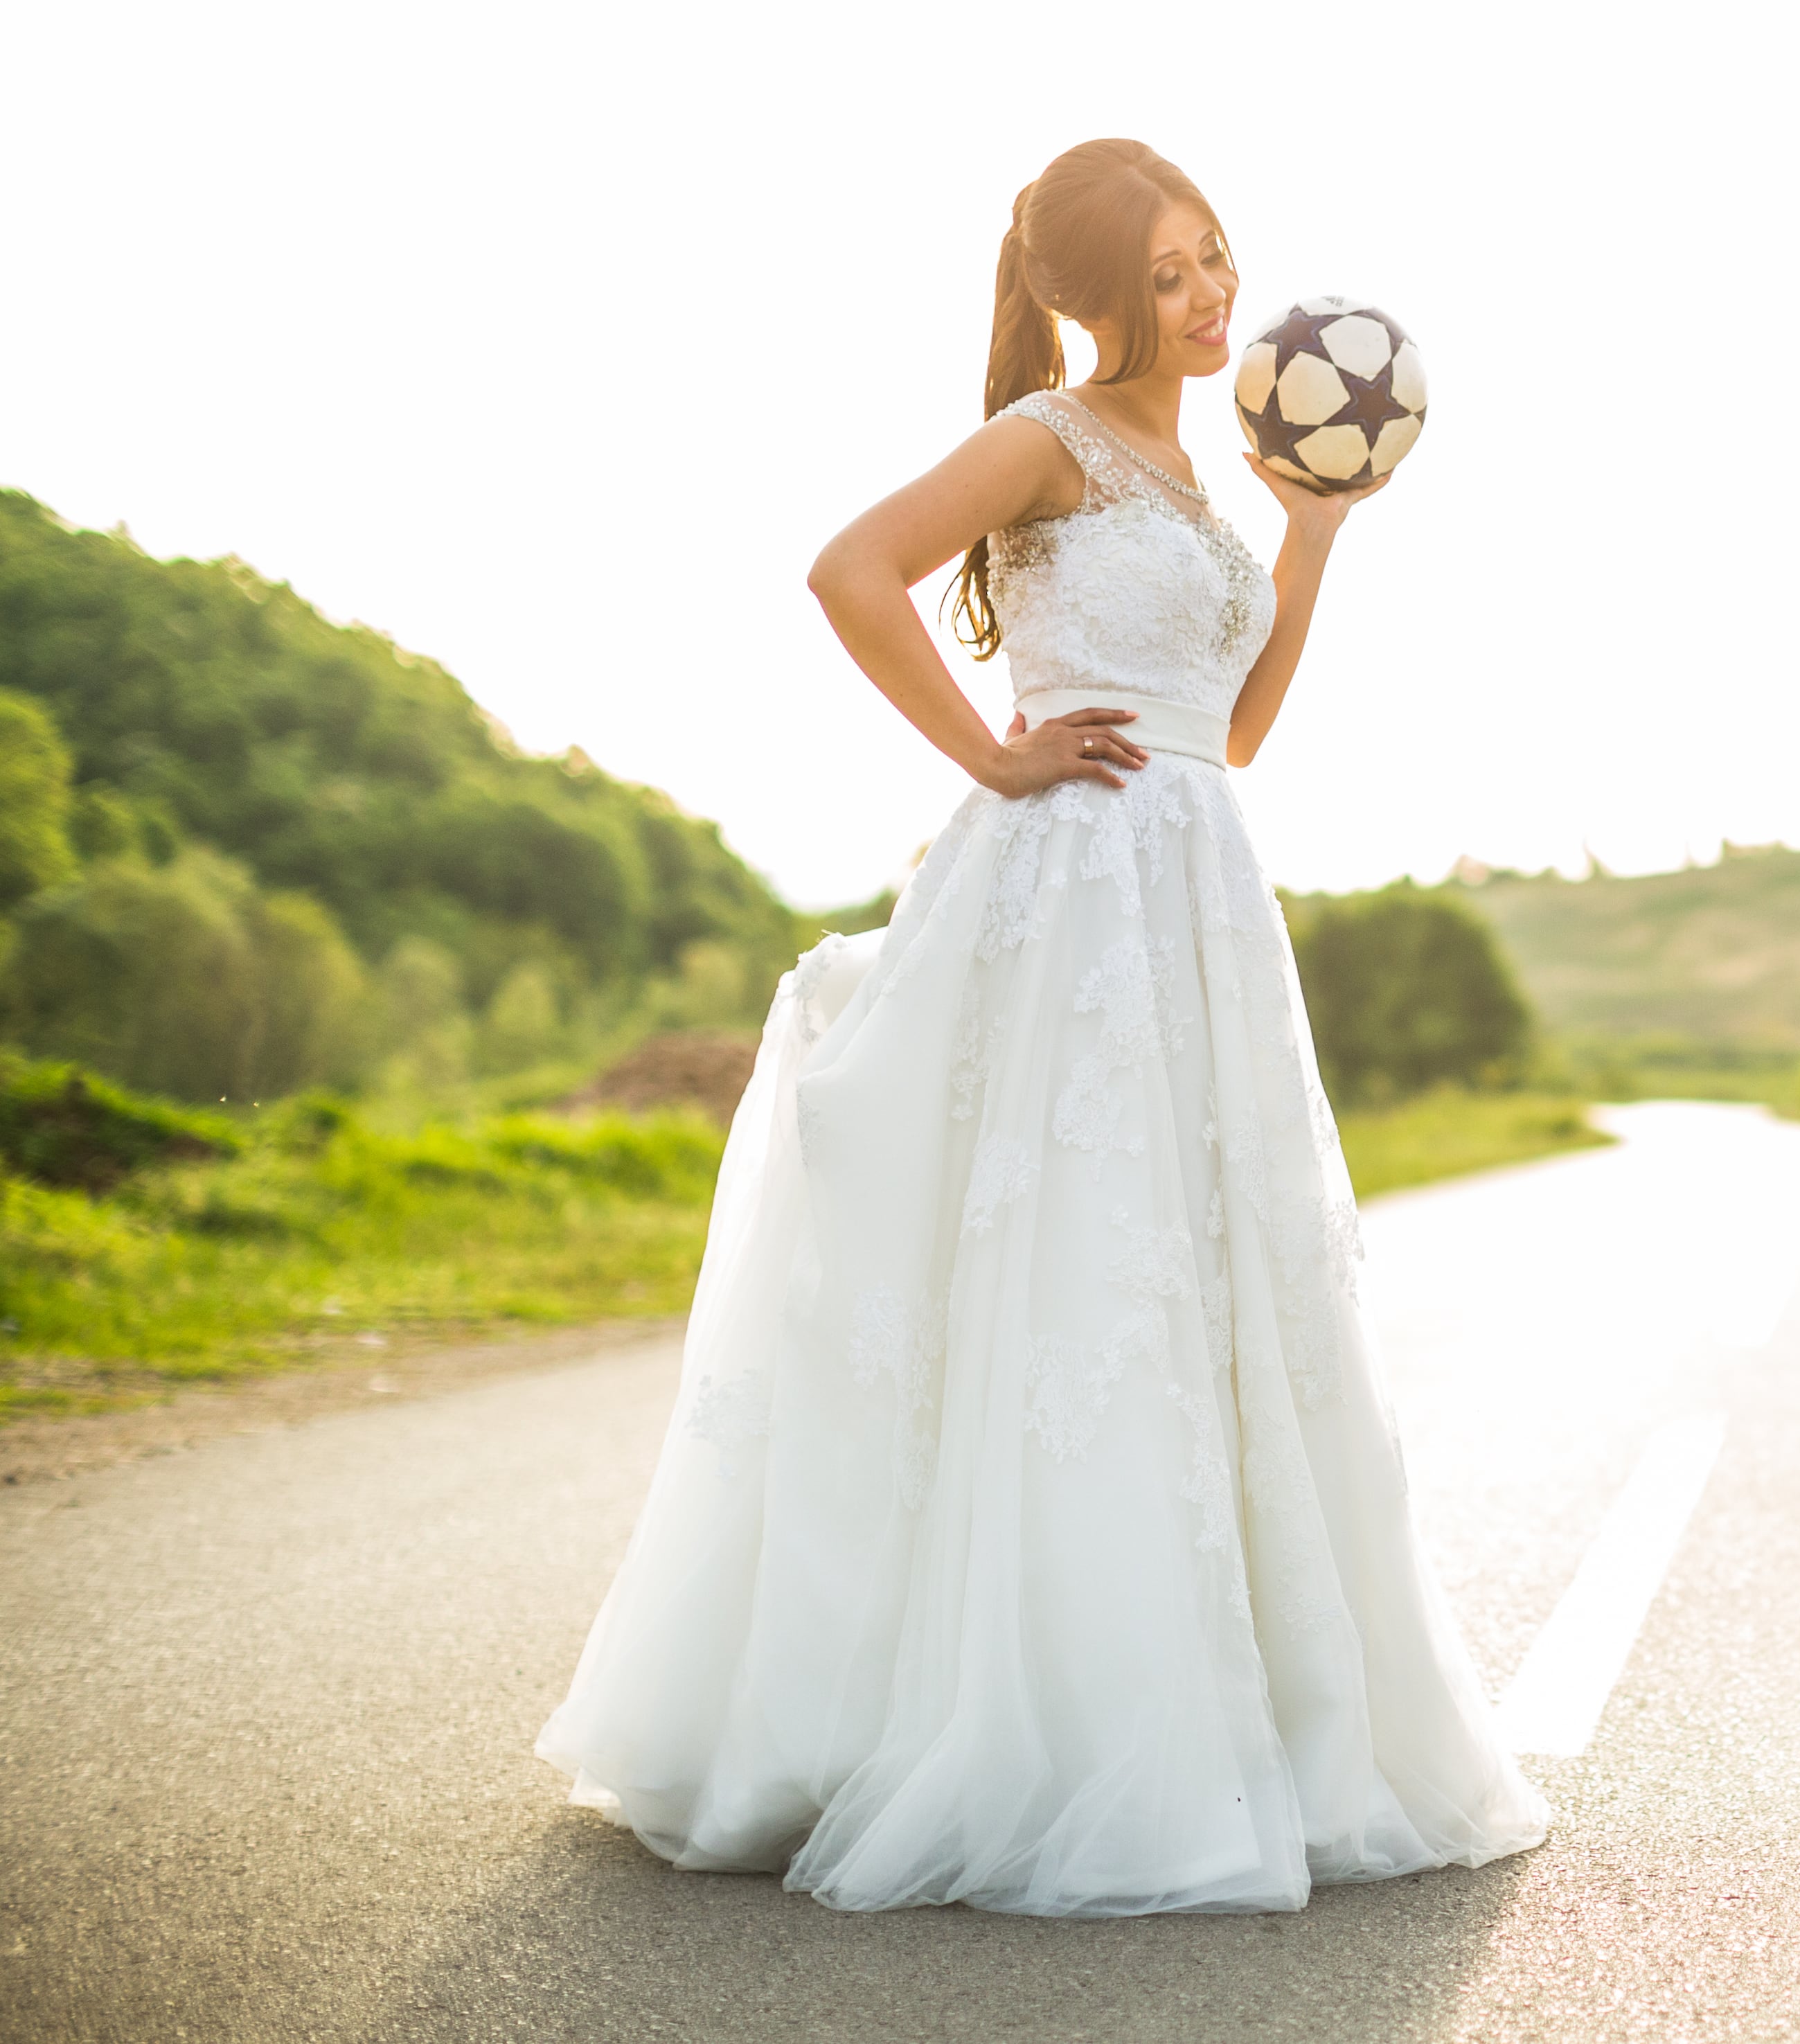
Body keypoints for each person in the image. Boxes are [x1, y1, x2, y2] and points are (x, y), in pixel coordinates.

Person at [535, 139, 1549, 1915]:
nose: (1216, 293)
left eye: (1217, 256)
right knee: (1066, 1274)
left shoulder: (1199, 471)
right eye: (1171, 274)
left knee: (1203, 1281)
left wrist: (1306, 538)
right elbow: (851, 568)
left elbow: (1230, 732)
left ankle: (1220, 1701)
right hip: (1068, 889)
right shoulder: (1050, 441)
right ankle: (1000, 1717)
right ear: (1095, 298)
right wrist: (991, 750)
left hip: (1200, 892)